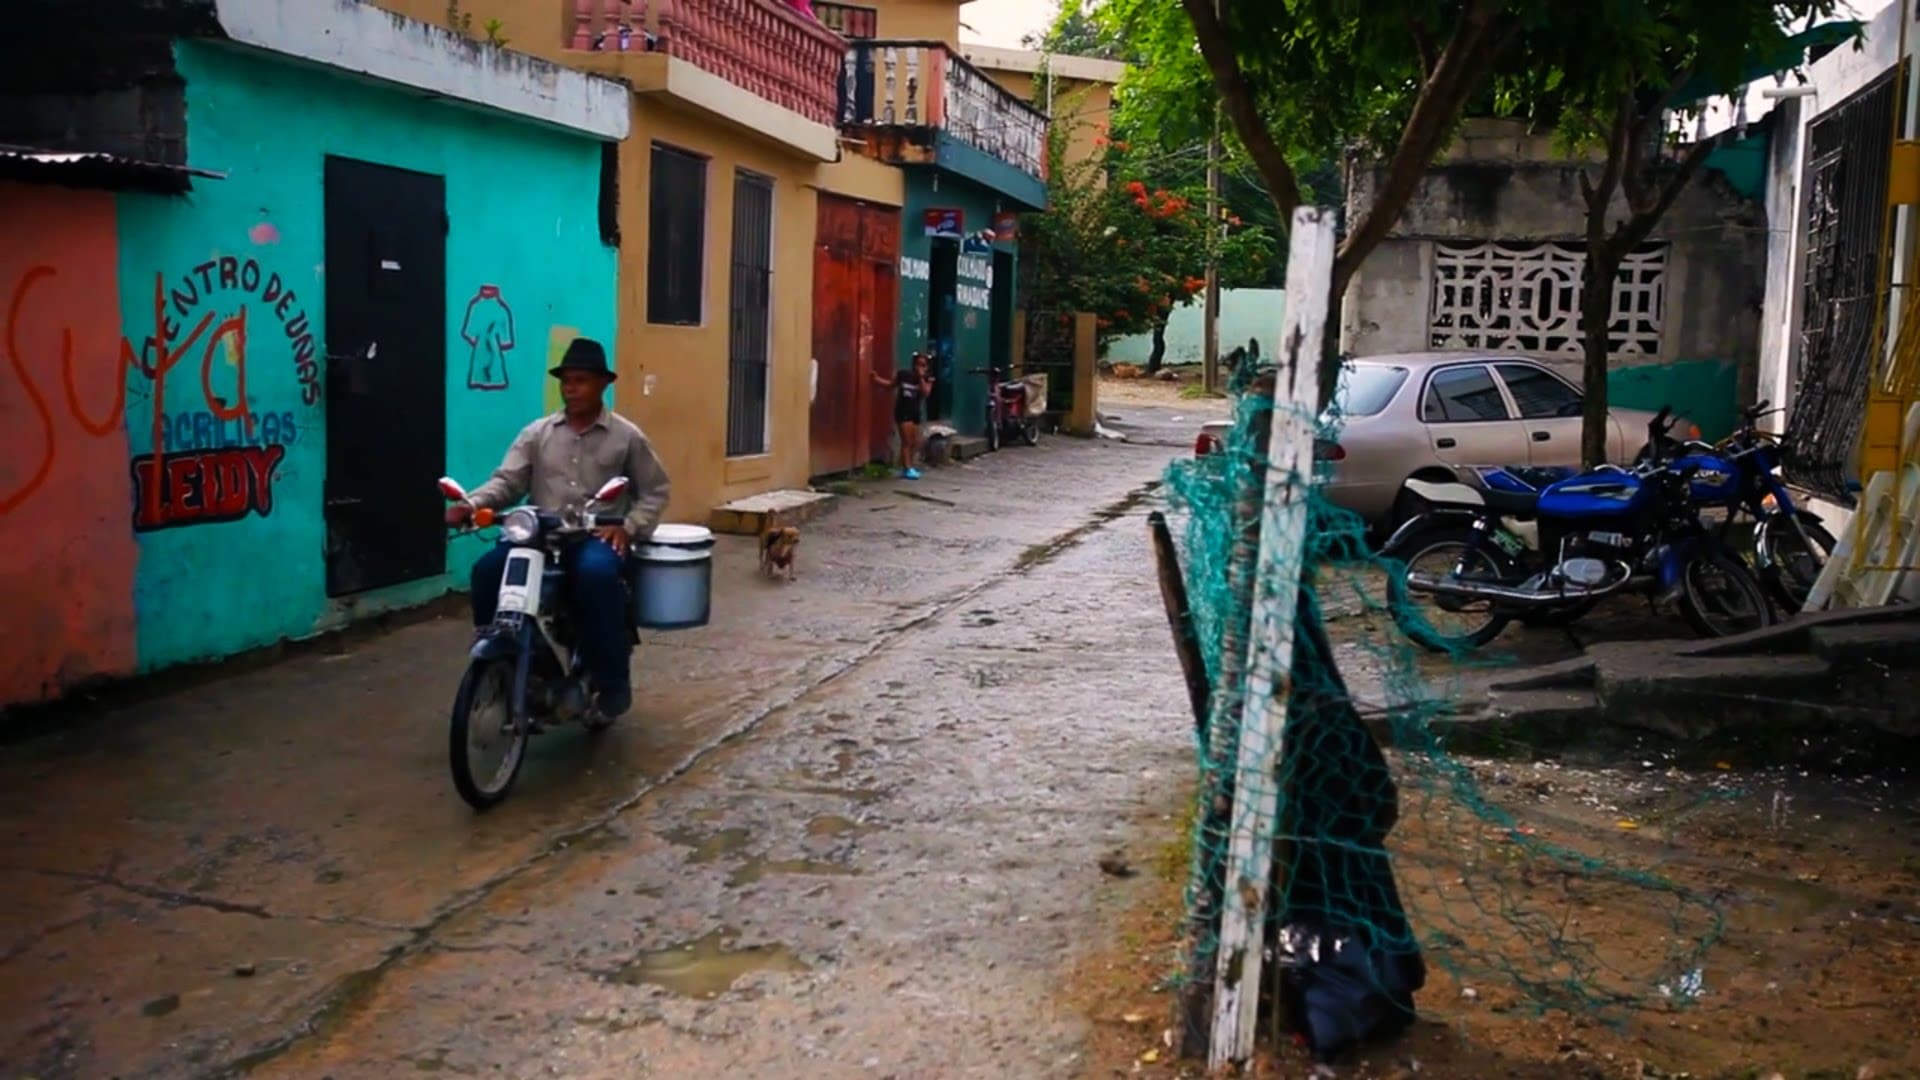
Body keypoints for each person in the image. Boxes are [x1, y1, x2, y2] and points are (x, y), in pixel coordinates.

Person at [446, 337, 670, 719]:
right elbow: (508, 481)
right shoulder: (538, 433)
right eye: (566, 380)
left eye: (581, 380)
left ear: (603, 384)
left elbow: (655, 491)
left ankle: (612, 682)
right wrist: (473, 504)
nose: (571, 388)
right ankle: (507, 661)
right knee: (486, 572)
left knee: (597, 578)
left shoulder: (626, 437)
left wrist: (628, 528)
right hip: (537, 536)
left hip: (593, 538)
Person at [873, 351, 934, 480]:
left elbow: (926, 393)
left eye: (923, 365)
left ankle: (910, 465)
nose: (920, 367)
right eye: (918, 364)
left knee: (915, 442)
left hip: (915, 412)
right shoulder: (903, 375)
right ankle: (907, 468)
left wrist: (921, 378)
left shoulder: (928, 378)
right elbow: (891, 385)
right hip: (903, 411)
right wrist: (876, 379)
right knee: (907, 441)